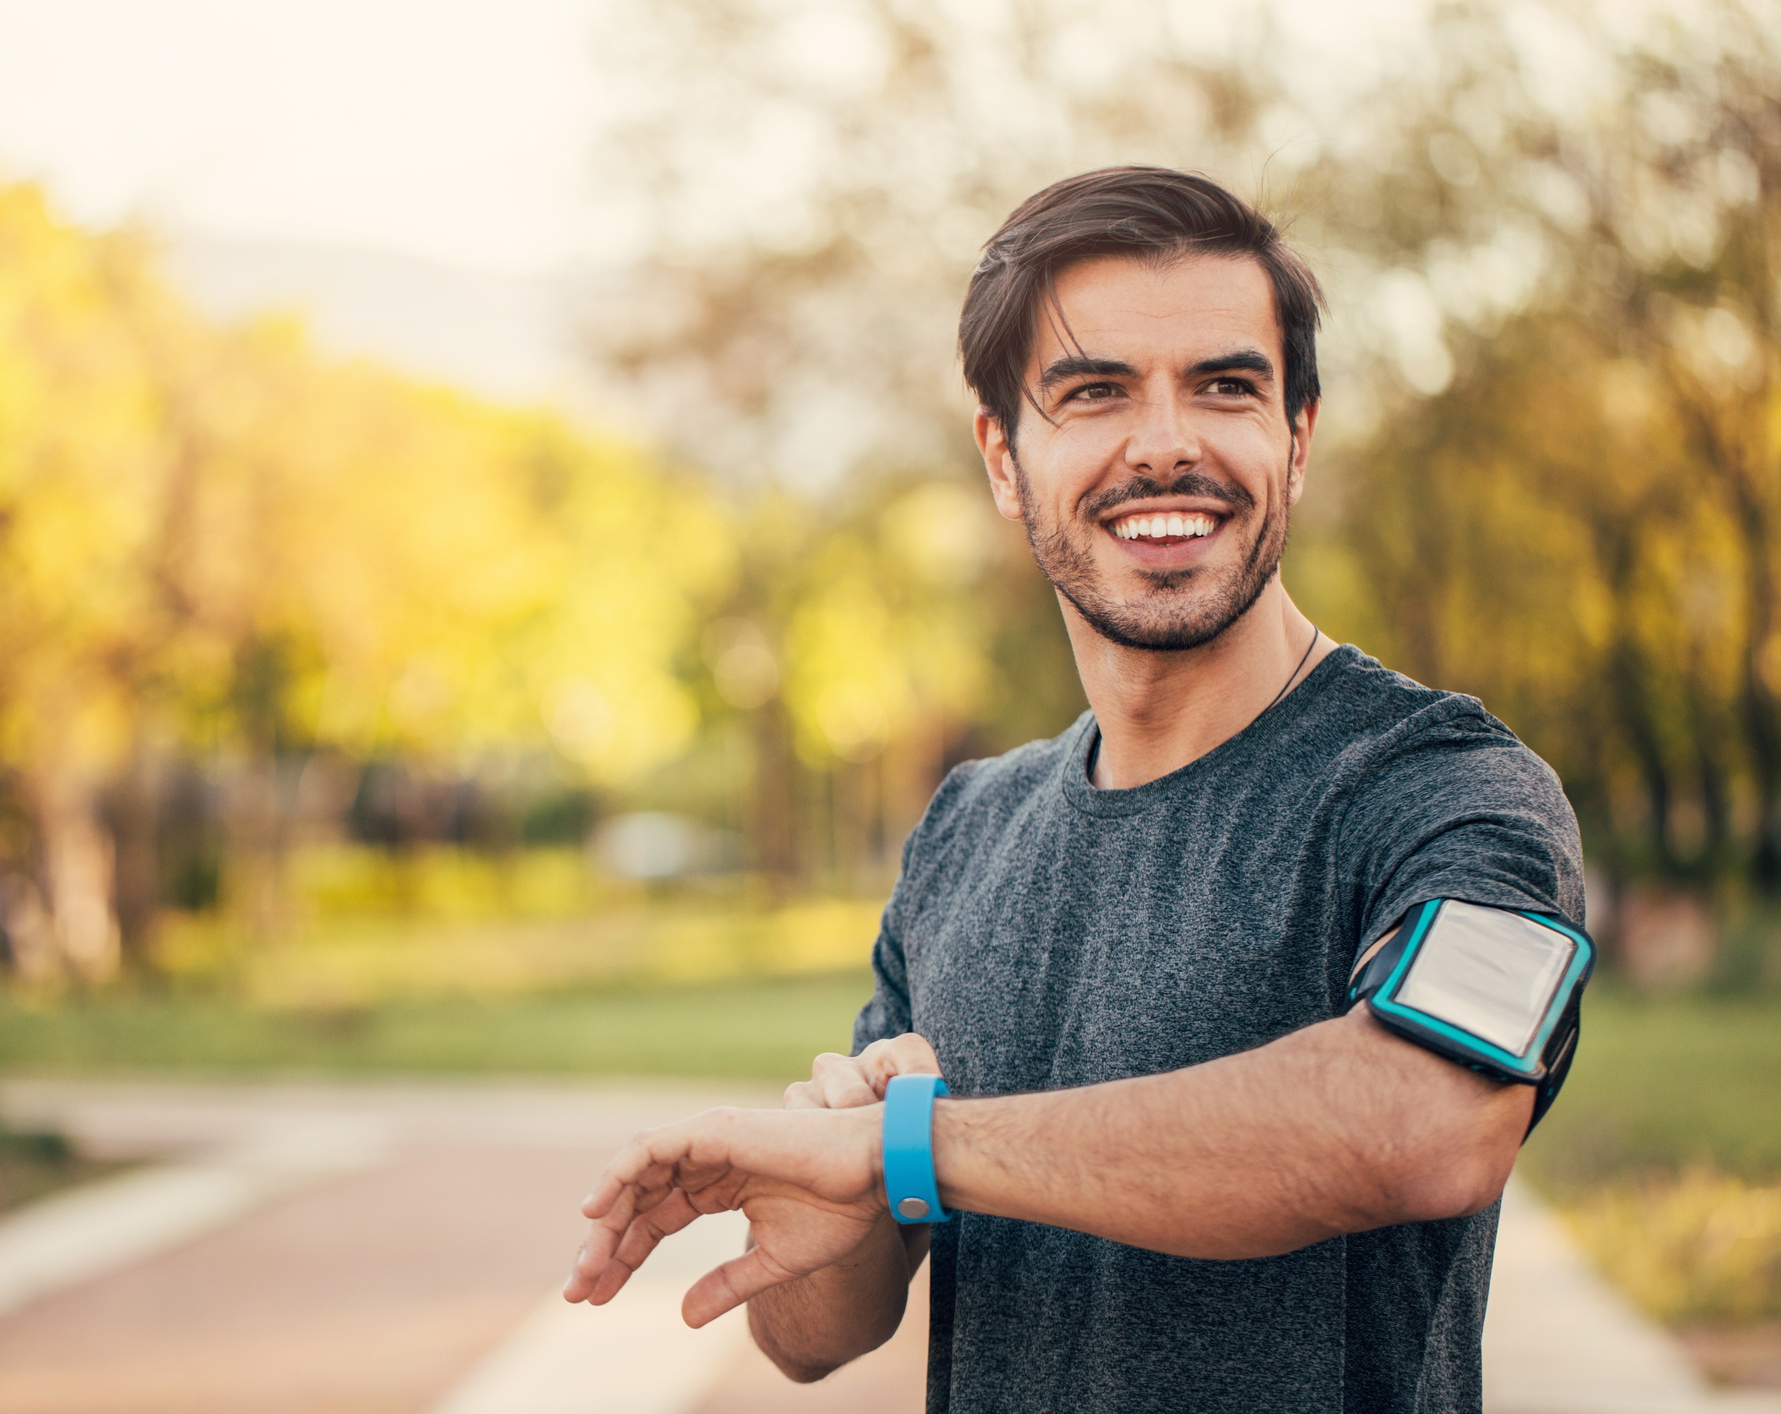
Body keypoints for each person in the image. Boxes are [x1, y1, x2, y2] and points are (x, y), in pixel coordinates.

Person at [562, 166, 1586, 1414]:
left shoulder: (1443, 789)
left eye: (1225, 385)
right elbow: (817, 1331)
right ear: (1003, 456)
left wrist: (915, 1147)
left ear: (1297, 440)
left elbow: (1430, 1118)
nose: (1166, 442)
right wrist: (832, 1207)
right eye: (1095, 393)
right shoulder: (967, 831)